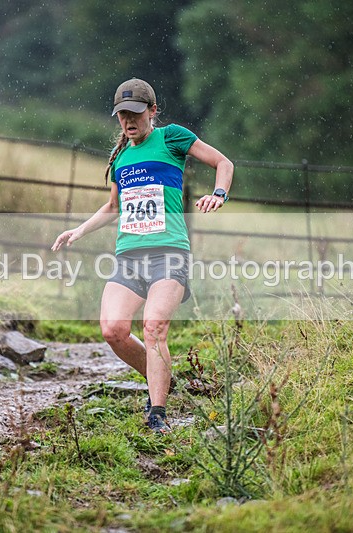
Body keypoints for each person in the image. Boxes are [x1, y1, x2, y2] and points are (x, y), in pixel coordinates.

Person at [51, 78, 233, 434]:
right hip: (129, 257)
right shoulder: (120, 156)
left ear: (152, 111)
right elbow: (113, 207)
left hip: (169, 253)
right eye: (122, 115)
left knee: (154, 327)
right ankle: (160, 376)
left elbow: (223, 162)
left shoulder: (172, 138)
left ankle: (158, 414)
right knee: (113, 330)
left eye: (135, 113)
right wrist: (79, 230)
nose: (128, 121)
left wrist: (219, 194)